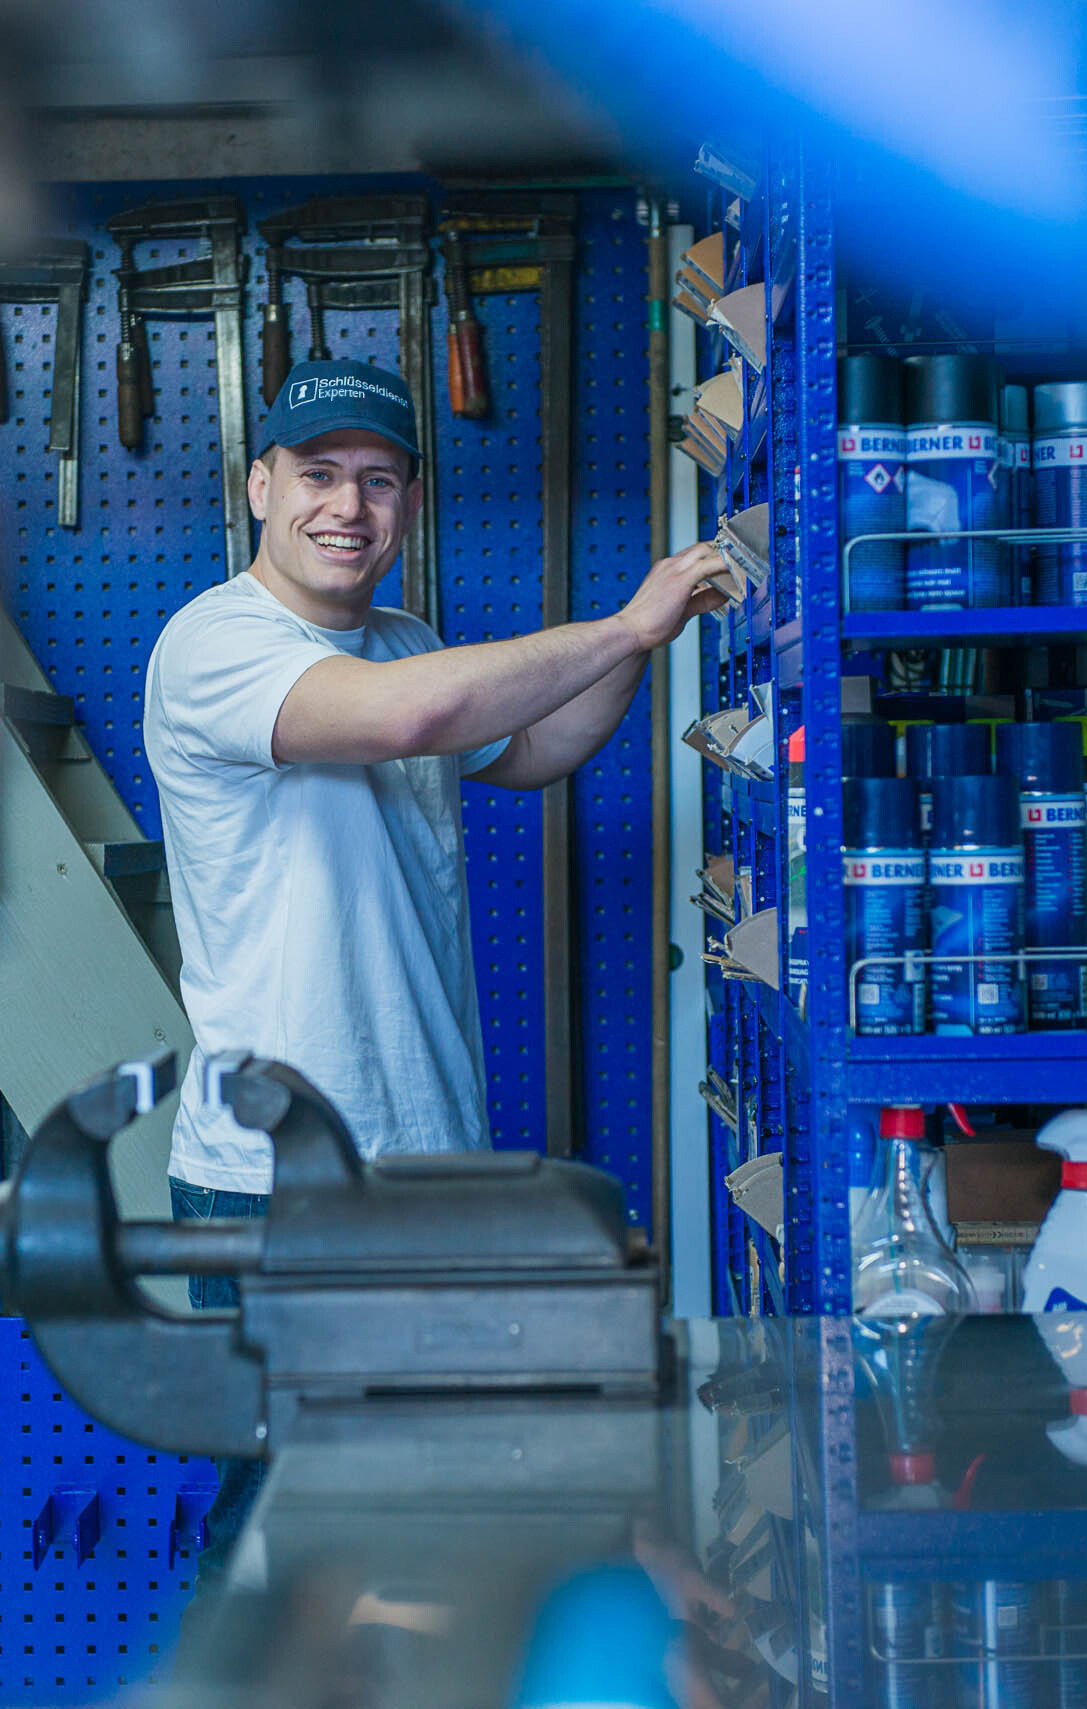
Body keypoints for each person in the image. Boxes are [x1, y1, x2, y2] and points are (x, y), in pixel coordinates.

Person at [143, 357, 725, 1290]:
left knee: (438, 1394)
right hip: (278, 1173)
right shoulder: (215, 642)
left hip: (430, 1148)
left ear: (410, 504)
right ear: (260, 487)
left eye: (378, 480)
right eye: (318, 474)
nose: (348, 506)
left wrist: (649, 635)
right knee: (299, 1405)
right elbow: (406, 716)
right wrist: (623, 627)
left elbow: (533, 748)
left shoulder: (404, 641)